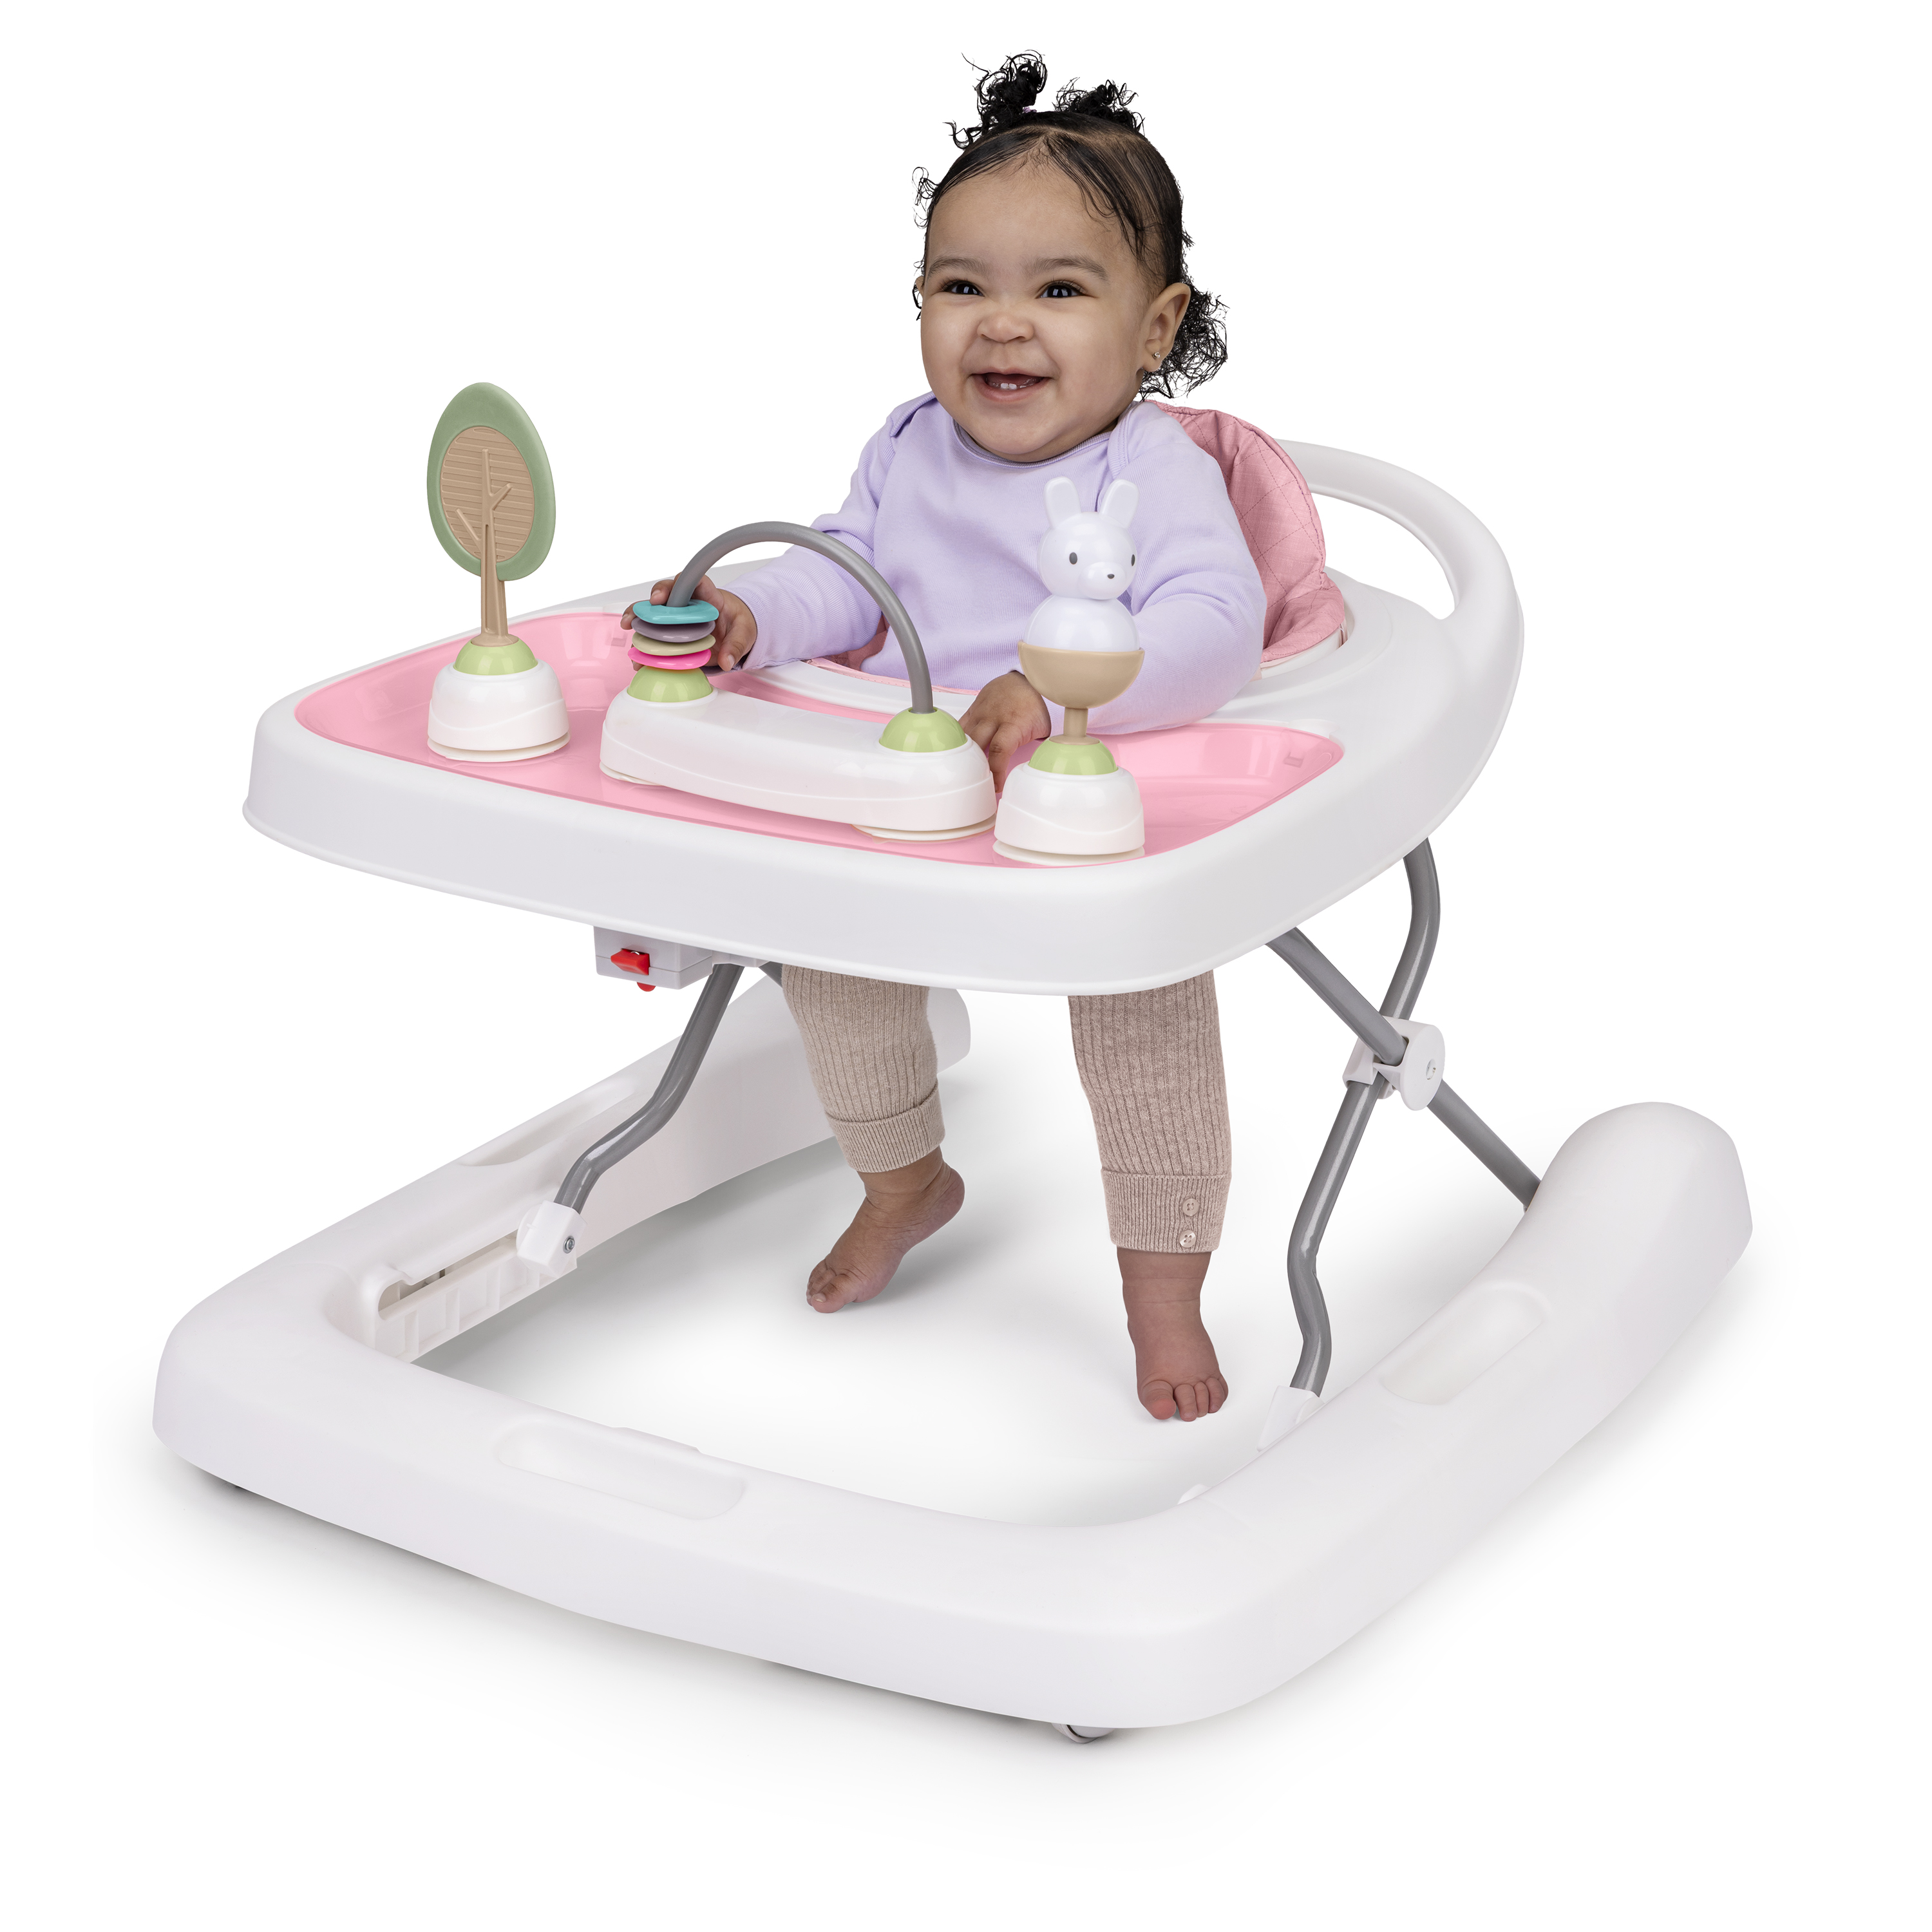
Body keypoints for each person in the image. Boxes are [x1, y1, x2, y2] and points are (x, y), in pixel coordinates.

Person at [632, 55, 1283, 1420]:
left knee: (1146, 1004)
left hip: (1082, 799)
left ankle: (1163, 1288)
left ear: (1155, 326)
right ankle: (905, 1180)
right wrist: (754, 614)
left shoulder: (1150, 470)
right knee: (830, 953)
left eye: (1062, 290)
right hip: (915, 788)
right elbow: (849, 578)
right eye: (961, 285)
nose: (1004, 324)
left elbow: (1217, 624)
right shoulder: (909, 446)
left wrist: (1059, 694)